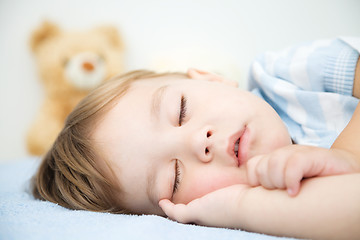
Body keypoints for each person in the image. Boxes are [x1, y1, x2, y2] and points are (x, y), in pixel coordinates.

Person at [32, 37, 360, 239]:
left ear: (211, 78)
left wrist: (348, 156)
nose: (197, 143)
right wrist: (242, 207)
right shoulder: (273, 206)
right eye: (174, 179)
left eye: (181, 110)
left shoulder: (285, 75)